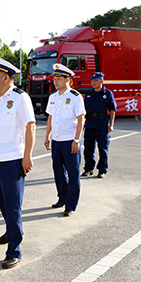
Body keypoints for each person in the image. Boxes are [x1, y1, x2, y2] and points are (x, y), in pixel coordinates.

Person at [0, 55, 36, 269]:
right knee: (2, 200)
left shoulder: (19, 97)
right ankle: (11, 230)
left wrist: (27, 156)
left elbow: (30, 126)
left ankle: (14, 249)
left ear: (6, 77)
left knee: (13, 206)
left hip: (12, 160)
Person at [43, 64, 85, 216]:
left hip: (70, 141)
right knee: (58, 172)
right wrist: (47, 136)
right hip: (57, 141)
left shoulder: (75, 96)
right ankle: (62, 197)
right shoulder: (53, 97)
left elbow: (81, 119)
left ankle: (71, 204)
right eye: (54, 79)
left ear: (67, 80)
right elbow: (50, 118)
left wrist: (77, 140)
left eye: (59, 79)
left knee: (73, 173)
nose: (55, 82)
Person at [82, 72, 116, 178]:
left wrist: (111, 124)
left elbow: (112, 109)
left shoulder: (108, 93)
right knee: (88, 149)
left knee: (103, 149)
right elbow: (84, 110)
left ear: (102, 81)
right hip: (90, 124)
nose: (93, 82)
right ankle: (88, 169)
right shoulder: (89, 93)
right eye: (92, 80)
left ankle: (102, 170)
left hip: (102, 124)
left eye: (96, 80)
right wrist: (82, 123)